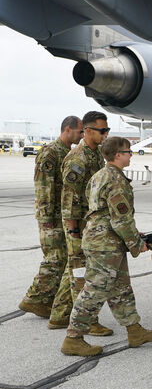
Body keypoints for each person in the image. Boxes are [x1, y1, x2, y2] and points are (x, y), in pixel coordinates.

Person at [61, 137, 152, 356]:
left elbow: (105, 213)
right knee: (95, 289)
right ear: (118, 154)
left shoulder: (99, 175)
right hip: (105, 245)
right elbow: (121, 219)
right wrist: (138, 245)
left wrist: (134, 236)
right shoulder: (116, 180)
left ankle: (135, 331)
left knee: (121, 288)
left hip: (105, 240)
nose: (130, 155)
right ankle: (73, 338)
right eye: (128, 152)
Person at [49, 111, 115, 336]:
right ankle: (86, 322)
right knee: (80, 272)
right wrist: (73, 229)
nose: (106, 134)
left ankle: (59, 316)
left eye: (107, 130)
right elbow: (69, 198)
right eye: (102, 131)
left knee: (74, 269)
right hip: (76, 225)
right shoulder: (78, 158)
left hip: (87, 224)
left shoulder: (95, 155)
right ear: (87, 131)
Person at [18, 116, 83, 318]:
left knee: (62, 258)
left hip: (62, 215)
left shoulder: (67, 153)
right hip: (51, 216)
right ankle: (33, 299)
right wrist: (46, 217)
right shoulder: (50, 153)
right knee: (54, 259)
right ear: (68, 129)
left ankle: (46, 300)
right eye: (79, 132)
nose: (81, 136)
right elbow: (43, 186)